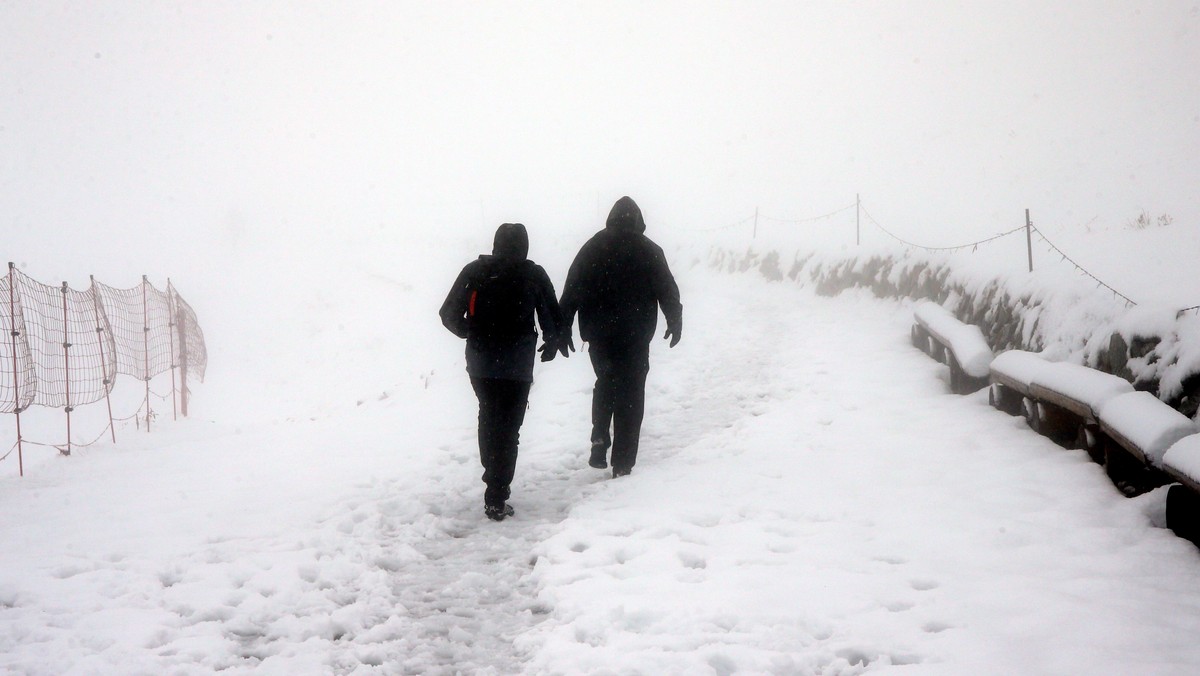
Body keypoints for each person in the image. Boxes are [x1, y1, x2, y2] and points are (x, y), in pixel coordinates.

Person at [439, 223, 565, 521]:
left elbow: (448, 314)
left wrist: (473, 332)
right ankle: (497, 491)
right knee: (509, 429)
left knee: (488, 416)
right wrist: (551, 341)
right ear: (524, 245)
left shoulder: (475, 271)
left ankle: (493, 483)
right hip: (516, 366)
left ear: (495, 244)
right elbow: (551, 316)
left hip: (481, 364)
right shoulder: (533, 274)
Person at [558, 196, 682, 477]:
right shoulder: (649, 249)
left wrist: (563, 326)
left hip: (599, 334)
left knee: (606, 381)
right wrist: (675, 319)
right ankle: (623, 463)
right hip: (635, 335)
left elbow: (572, 288)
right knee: (632, 394)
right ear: (638, 221)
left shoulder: (592, 247)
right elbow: (667, 289)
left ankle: (600, 435)